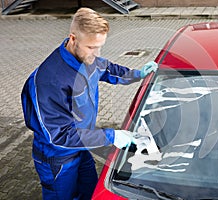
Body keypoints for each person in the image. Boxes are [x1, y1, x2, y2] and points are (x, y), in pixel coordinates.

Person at [21, 7, 157, 200]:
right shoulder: (50, 80)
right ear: (73, 38)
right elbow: (58, 137)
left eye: (100, 46)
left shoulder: (87, 58)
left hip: (82, 146)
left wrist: (137, 74)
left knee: (89, 193)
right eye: (92, 47)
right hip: (58, 158)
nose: (96, 53)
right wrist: (111, 136)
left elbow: (108, 69)